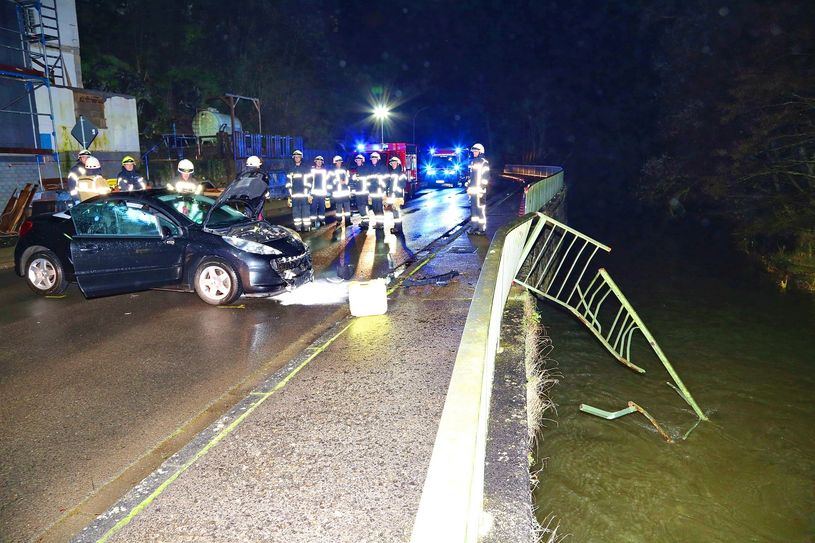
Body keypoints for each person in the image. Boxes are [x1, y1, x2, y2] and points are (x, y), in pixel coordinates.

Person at [233, 155, 269, 219]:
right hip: (250, 201)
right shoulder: (246, 175)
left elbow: (264, 185)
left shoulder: (261, 174)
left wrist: (266, 193)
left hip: (257, 200)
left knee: (258, 216)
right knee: (251, 216)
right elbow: (241, 186)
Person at [466, 143, 490, 234]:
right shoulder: (473, 162)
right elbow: (471, 177)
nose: (474, 153)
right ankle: (474, 228)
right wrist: (468, 185)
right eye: (473, 152)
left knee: (480, 210)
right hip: (473, 192)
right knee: (473, 211)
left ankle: (481, 229)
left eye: (475, 151)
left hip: (480, 192)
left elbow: (486, 178)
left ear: (480, 152)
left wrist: (482, 188)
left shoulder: (484, 162)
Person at [285, 150, 311, 231]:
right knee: (296, 213)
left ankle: (306, 227)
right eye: (295, 157)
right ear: (293, 158)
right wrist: (290, 195)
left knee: (306, 212)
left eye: (298, 157)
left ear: (301, 158)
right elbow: (288, 183)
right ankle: (298, 227)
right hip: (294, 195)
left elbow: (310, 181)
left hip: (304, 195)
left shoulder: (305, 169)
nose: (297, 158)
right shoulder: (291, 169)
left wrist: (309, 194)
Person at [329, 155, 352, 226]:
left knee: (347, 208)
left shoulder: (345, 169)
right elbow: (330, 181)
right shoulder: (332, 171)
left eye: (340, 161)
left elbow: (348, 178)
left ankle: (348, 221)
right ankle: (339, 221)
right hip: (337, 193)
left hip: (345, 192)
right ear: (335, 162)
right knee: (338, 208)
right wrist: (338, 181)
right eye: (337, 161)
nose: (339, 163)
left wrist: (345, 182)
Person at [386, 156, 407, 233]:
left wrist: (395, 191)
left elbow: (403, 185)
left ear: (398, 164)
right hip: (393, 196)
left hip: (397, 196)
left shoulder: (401, 174)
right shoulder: (392, 173)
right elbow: (390, 185)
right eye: (392, 163)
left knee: (397, 212)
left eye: (394, 163)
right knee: (395, 212)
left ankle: (398, 228)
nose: (393, 165)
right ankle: (396, 227)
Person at [367, 151, 387, 229]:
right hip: (372, 191)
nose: (373, 160)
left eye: (375, 158)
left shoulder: (383, 168)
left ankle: (381, 223)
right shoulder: (370, 168)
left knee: (379, 208)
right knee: (374, 208)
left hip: (379, 191)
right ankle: (378, 223)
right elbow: (368, 180)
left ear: (378, 159)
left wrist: (383, 188)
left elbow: (386, 179)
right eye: (372, 159)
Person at [309, 156, 329, 228]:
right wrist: (309, 193)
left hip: (322, 193)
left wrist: (328, 192)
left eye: (320, 162)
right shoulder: (312, 171)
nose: (319, 163)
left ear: (322, 163)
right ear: (315, 162)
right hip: (314, 193)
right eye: (318, 161)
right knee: (313, 208)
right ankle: (313, 222)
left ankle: (321, 220)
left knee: (322, 208)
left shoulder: (325, 171)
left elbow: (327, 182)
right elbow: (309, 181)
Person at [351, 154, 369, 227]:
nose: (358, 162)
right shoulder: (357, 168)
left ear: (362, 161)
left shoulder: (364, 169)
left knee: (362, 206)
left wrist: (356, 178)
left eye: (359, 160)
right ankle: (365, 221)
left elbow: (364, 179)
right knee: (360, 206)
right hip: (359, 191)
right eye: (357, 160)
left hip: (363, 191)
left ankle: (365, 222)